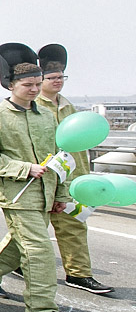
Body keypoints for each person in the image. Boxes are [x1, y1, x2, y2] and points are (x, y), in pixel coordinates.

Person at [0, 44, 74, 312]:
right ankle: (42, 307)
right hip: (15, 192)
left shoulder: (46, 117)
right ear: (11, 85)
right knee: (38, 249)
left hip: (46, 191)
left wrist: (61, 193)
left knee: (22, 239)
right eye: (27, 85)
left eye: (37, 84)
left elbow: (59, 156)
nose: (33, 89)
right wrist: (23, 168)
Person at [35, 44, 113, 294]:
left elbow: (79, 146)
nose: (58, 81)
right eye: (52, 78)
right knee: (31, 230)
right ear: (40, 79)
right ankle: (12, 263)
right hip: (42, 179)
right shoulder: (33, 107)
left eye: (61, 77)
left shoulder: (68, 107)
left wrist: (81, 177)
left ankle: (79, 274)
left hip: (71, 181)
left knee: (74, 226)